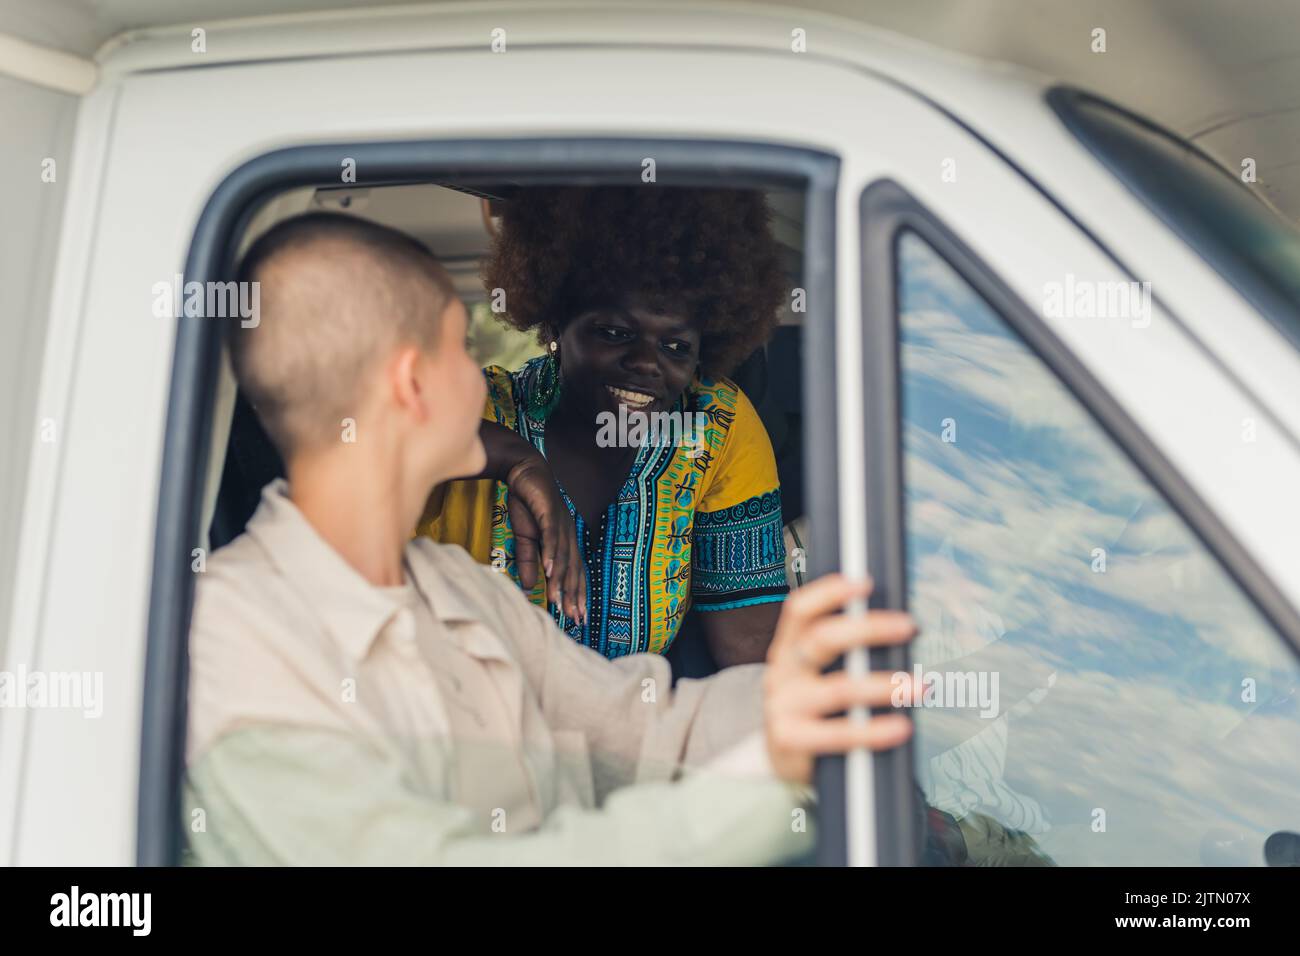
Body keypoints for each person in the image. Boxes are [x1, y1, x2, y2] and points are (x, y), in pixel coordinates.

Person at [184, 212, 915, 866]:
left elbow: (643, 730)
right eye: (460, 352)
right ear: (414, 385)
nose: (486, 381)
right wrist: (763, 777)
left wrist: (807, 705)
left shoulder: (451, 585)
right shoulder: (236, 638)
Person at [418, 187, 790, 666]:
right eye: (615, 333)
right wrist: (517, 459)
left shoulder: (715, 424)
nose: (645, 364)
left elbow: (750, 662)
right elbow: (349, 433)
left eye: (675, 347)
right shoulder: (481, 407)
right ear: (554, 322)